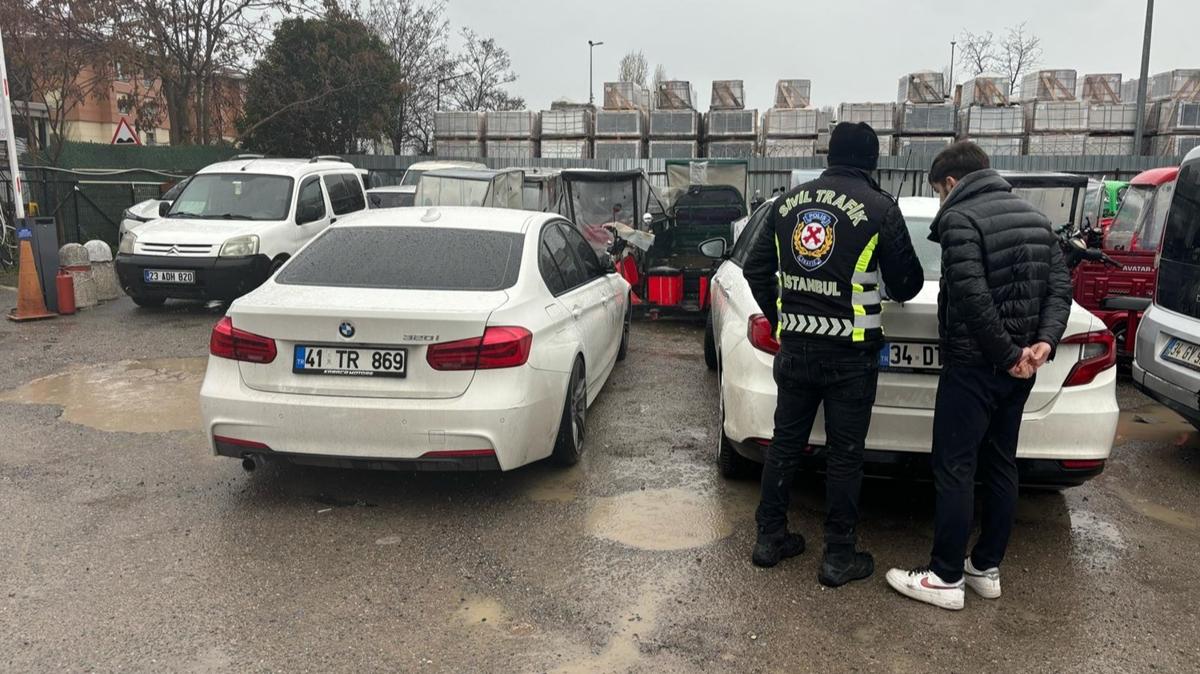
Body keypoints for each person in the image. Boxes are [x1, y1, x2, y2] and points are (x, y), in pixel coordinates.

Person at [885, 141, 1072, 610]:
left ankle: (946, 576)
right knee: (1001, 463)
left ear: (950, 183)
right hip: (1020, 370)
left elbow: (969, 295)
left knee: (954, 466)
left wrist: (1006, 353)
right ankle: (985, 568)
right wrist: (1042, 345)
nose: (941, 201)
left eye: (938, 191)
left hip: (974, 366)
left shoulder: (960, 220)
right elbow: (1059, 288)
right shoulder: (1035, 218)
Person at [743, 122, 925, 586]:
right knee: (845, 456)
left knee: (784, 445)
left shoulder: (787, 203)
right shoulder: (881, 208)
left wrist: (782, 318)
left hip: (798, 347)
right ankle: (837, 556)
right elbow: (907, 284)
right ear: (872, 161)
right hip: (852, 357)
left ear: (828, 157)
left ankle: (769, 540)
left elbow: (755, 266)